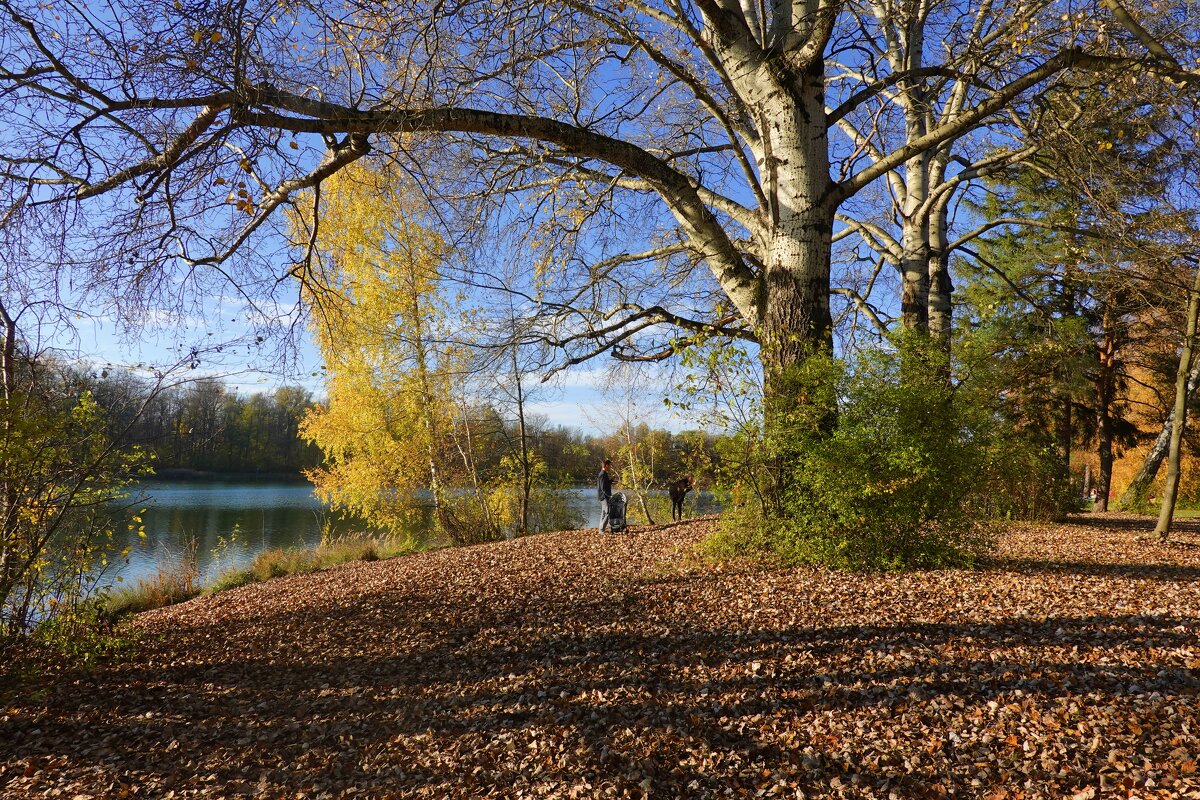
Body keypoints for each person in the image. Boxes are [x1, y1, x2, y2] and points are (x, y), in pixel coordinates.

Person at [597, 458, 615, 533]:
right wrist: (608, 496)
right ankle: (601, 528)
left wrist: (611, 480)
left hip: (604, 496)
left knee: (604, 513)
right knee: (609, 512)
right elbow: (603, 487)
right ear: (606, 465)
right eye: (610, 465)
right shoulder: (602, 474)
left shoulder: (604, 474)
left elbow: (606, 484)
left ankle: (600, 530)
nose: (610, 467)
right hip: (604, 497)